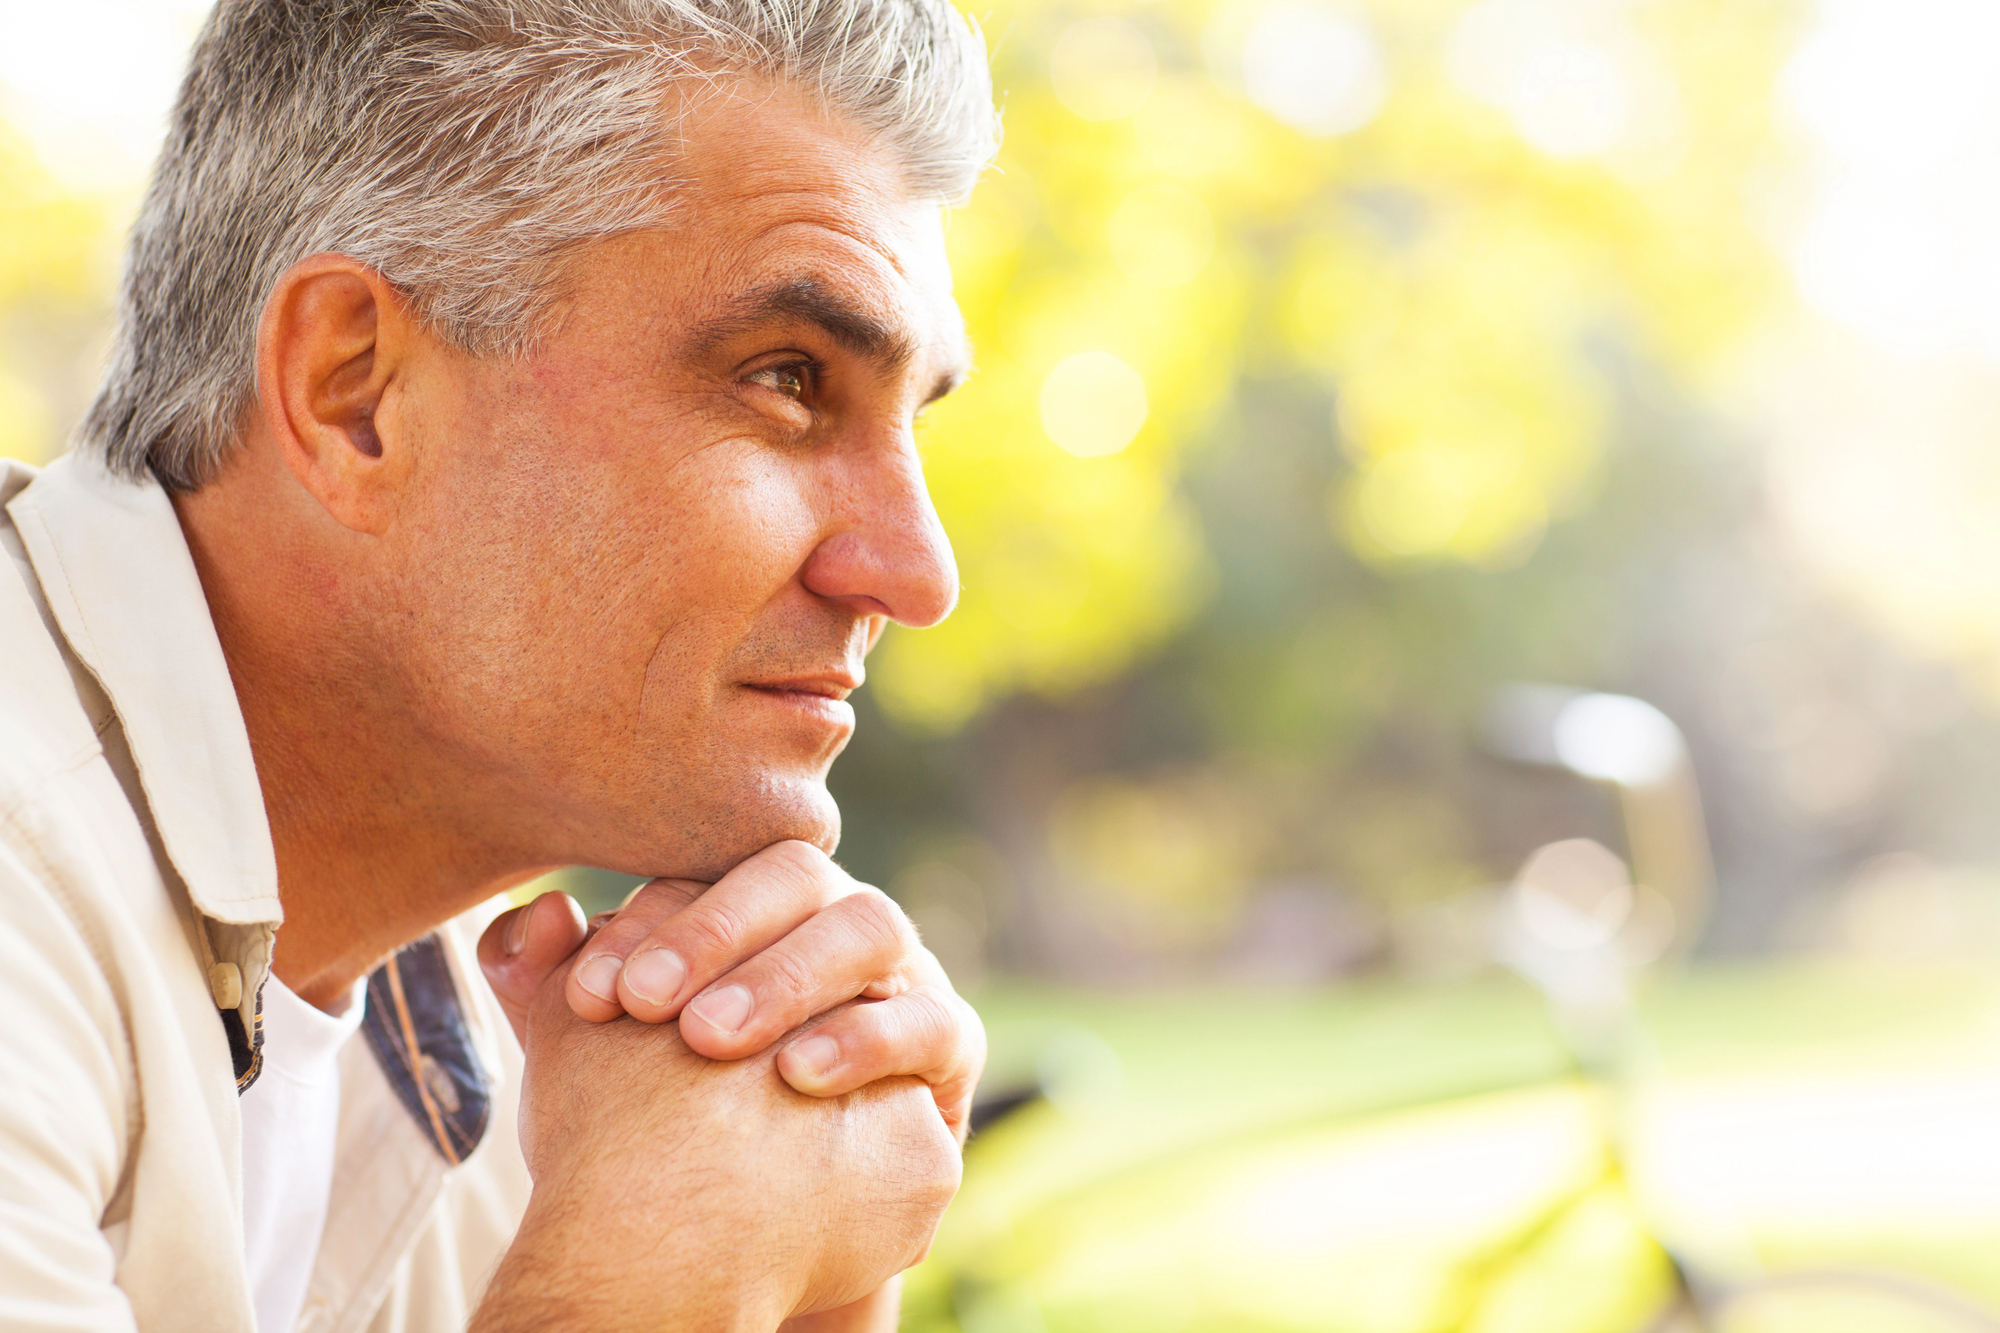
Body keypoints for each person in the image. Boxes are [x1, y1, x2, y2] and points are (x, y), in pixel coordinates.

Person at [0, 0, 1000, 1329]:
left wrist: (812, 1269)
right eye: (784, 378)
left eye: (908, 422)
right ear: (357, 393)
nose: (916, 571)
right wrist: (650, 1277)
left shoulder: (516, 1045)